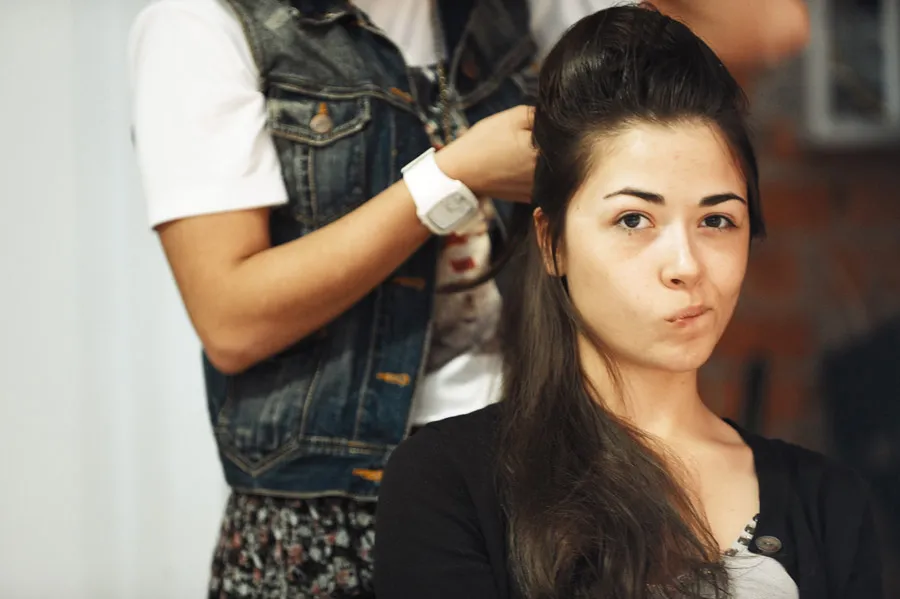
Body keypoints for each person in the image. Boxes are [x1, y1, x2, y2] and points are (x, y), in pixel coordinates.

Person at [127, 0, 810, 597]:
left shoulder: (502, 11)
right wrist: (450, 178)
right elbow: (231, 320)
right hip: (324, 511)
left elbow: (772, 24)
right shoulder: (206, 25)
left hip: (527, 472)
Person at [374, 6, 882, 599]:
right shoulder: (447, 484)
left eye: (717, 220)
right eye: (634, 219)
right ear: (553, 243)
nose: (686, 264)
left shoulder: (828, 502)